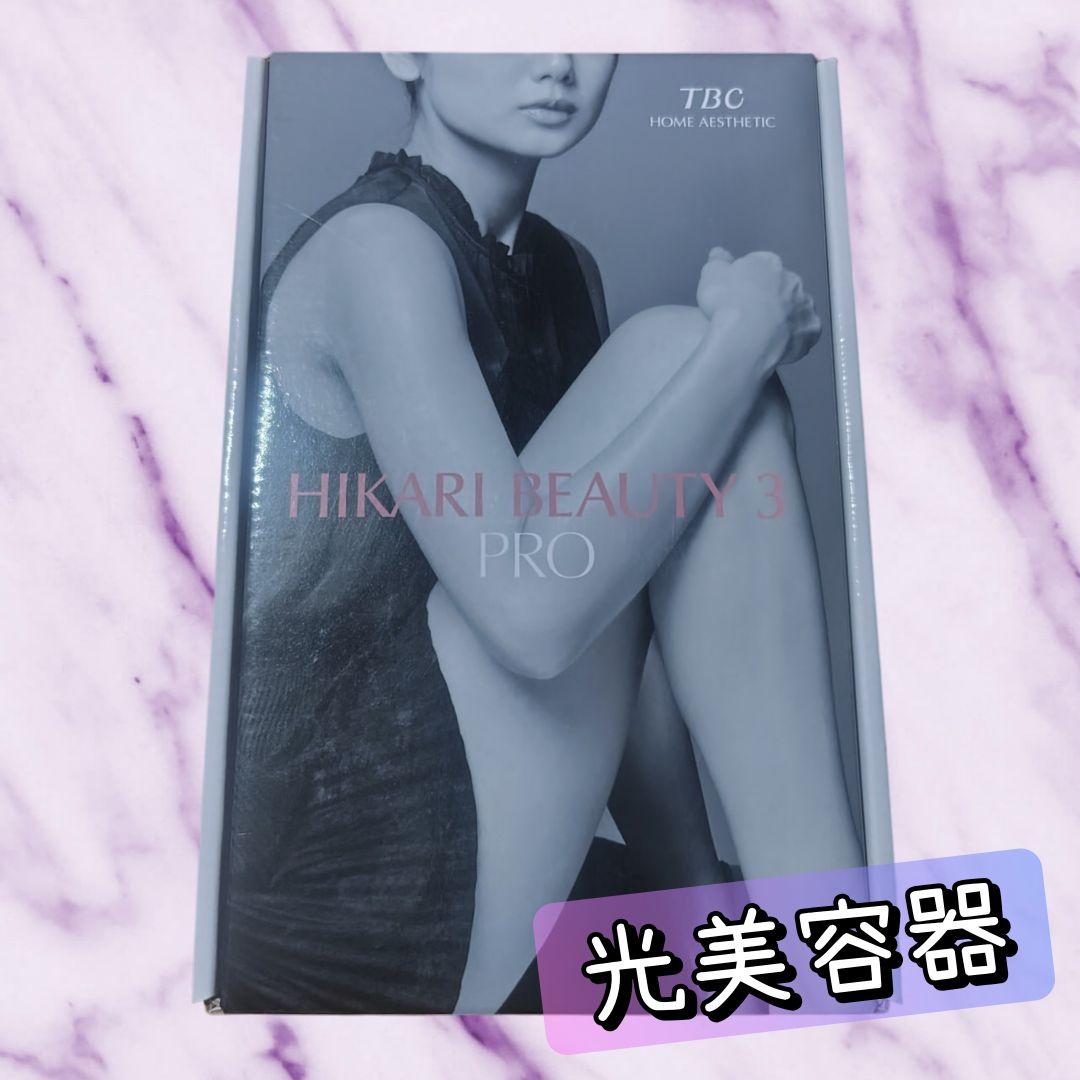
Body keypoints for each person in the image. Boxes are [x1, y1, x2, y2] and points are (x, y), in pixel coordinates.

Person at [222, 52, 860, 1015]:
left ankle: (822, 959)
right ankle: (842, 969)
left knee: (695, 392)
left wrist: (698, 901)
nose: (557, 58)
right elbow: (535, 616)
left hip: (477, 799)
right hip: (354, 871)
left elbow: (620, 627)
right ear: (404, 47)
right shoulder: (377, 249)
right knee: (685, 356)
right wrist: (739, 345)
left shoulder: (559, 273)